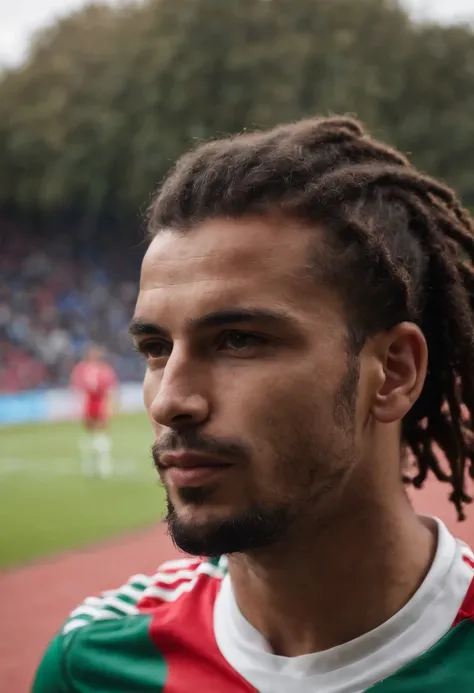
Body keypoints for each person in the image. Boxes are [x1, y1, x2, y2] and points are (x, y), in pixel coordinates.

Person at [33, 117, 474, 692]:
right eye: (155, 348)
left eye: (239, 340)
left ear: (392, 372)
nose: (171, 402)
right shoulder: (91, 665)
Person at [70, 345, 118, 478]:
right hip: (93, 401)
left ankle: (96, 465)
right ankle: (100, 465)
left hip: (95, 401)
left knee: (95, 433)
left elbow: (75, 386)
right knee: (97, 433)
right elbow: (111, 388)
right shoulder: (101, 368)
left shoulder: (82, 368)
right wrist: (111, 404)